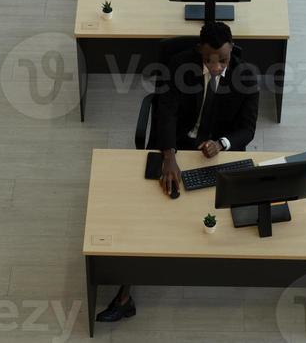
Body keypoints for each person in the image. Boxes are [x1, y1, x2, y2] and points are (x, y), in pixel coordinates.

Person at [95, 22, 258, 323]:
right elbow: (165, 111)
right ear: (200, 51)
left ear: (231, 49)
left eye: (222, 59)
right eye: (210, 59)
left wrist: (222, 144)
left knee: (214, 214)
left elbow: (247, 128)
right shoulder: (179, 66)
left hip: (216, 153)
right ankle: (125, 295)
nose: (217, 66)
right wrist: (168, 155)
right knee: (151, 211)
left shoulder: (246, 76)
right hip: (177, 145)